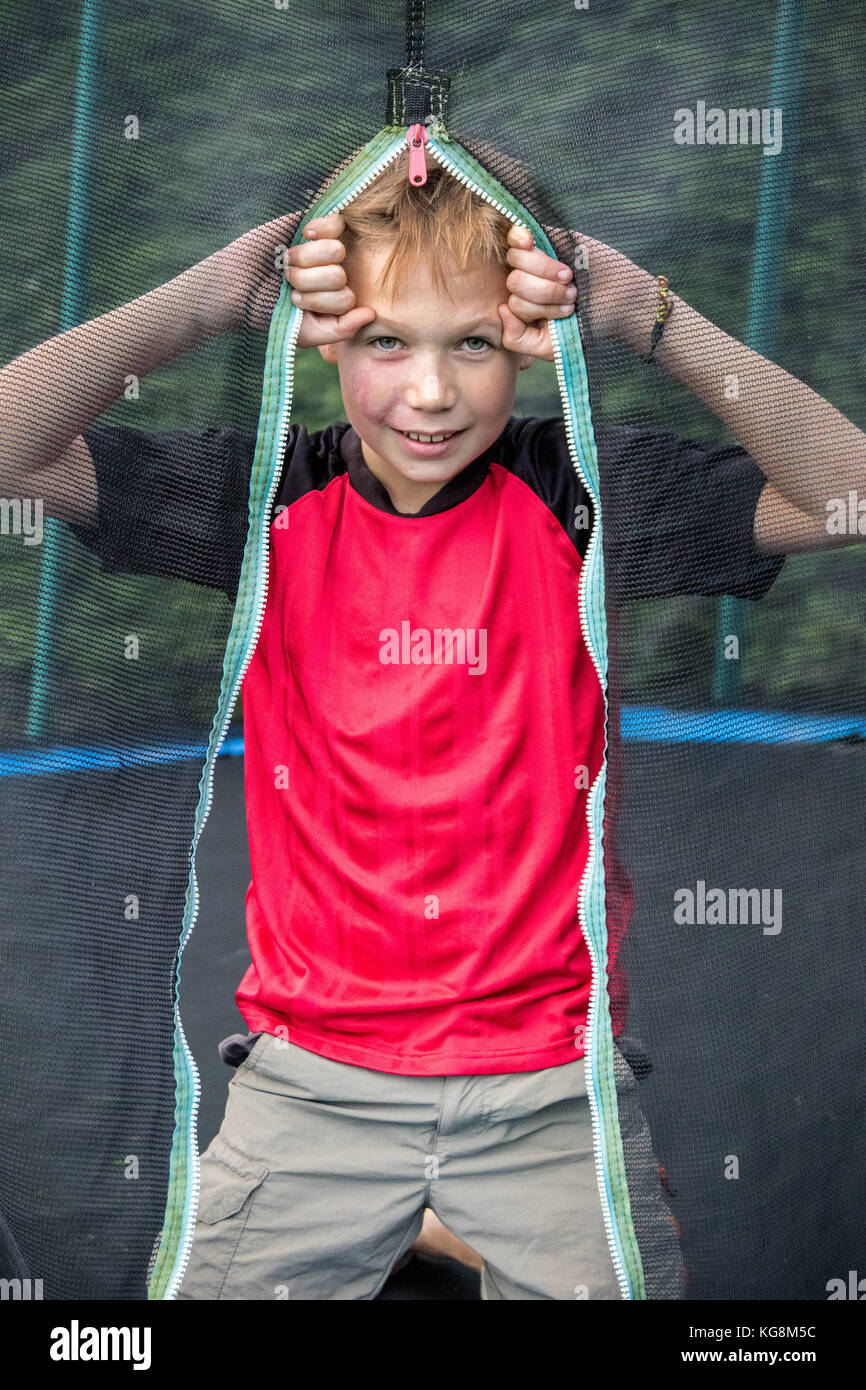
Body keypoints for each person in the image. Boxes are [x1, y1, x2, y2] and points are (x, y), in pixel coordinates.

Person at [4, 143, 865, 1300]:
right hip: (312, 1085)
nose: (428, 392)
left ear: (526, 334)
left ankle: (450, 1233)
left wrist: (644, 314)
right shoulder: (265, 497)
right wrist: (204, 301)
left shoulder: (584, 497)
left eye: (470, 341)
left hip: (550, 1086)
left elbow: (843, 495)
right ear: (319, 336)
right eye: (383, 341)